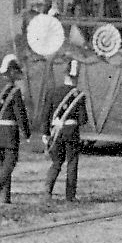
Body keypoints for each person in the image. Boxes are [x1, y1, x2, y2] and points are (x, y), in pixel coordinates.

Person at [0, 55, 31, 204]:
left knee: (3, 165)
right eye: (16, 71)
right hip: (9, 133)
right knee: (10, 164)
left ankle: (5, 199)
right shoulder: (14, 92)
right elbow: (20, 114)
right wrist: (26, 132)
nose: (17, 74)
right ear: (10, 71)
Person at [43, 61, 89, 203]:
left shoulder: (52, 92)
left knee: (57, 162)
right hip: (71, 131)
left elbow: (45, 115)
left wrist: (45, 134)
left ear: (64, 74)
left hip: (56, 132)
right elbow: (83, 119)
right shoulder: (78, 95)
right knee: (72, 162)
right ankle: (70, 196)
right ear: (76, 77)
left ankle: (47, 191)